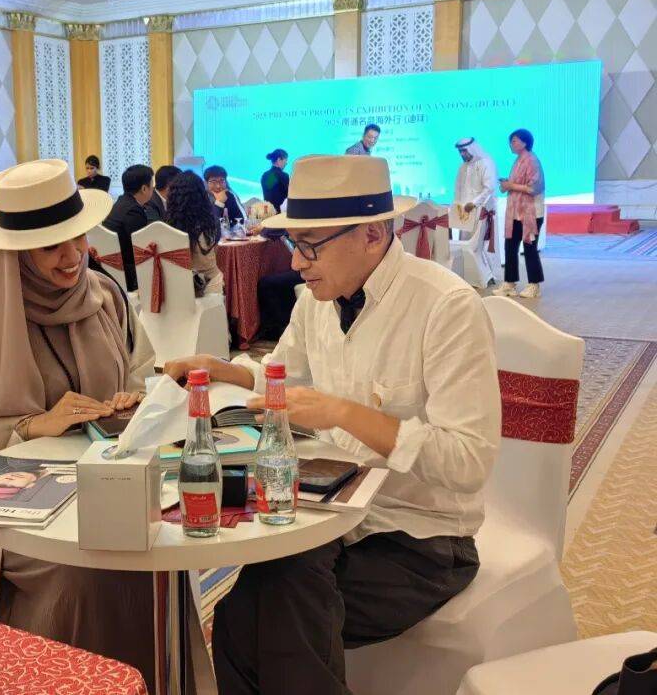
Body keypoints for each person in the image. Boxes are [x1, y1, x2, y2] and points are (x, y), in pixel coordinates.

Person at [164, 155, 499, 695]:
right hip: (331, 517)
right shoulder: (317, 301)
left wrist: (344, 413)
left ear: (372, 234)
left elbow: (468, 461)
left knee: (283, 607)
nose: (296, 262)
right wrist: (224, 369)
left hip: (423, 537)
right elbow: (285, 377)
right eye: (294, 244)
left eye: (310, 245)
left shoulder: (446, 308)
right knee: (238, 614)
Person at [0, 158, 156, 689]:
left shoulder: (103, 296)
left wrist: (133, 397)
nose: (73, 256)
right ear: (18, 253)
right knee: (81, 569)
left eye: (77, 238)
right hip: (19, 508)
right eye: (51, 248)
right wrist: (33, 425)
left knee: (151, 547)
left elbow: (142, 373)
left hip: (110, 479)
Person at [494, 129, 545, 299]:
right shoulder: (517, 160)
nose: (511, 144)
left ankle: (534, 285)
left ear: (524, 142)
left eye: (514, 141)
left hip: (531, 212)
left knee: (530, 249)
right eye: (511, 141)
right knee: (510, 246)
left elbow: (535, 188)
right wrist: (507, 184)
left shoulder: (532, 160)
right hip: (516, 212)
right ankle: (509, 283)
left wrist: (511, 186)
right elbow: (516, 185)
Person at [164, 171, 224, 295]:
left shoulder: (167, 224)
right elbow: (215, 251)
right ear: (202, 194)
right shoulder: (211, 221)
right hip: (210, 284)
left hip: (178, 287)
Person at [453, 137, 498, 288]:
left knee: (477, 246)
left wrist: (474, 203)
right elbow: (458, 189)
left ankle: (488, 275)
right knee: (465, 245)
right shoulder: (462, 167)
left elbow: (489, 188)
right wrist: (457, 206)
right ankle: (470, 277)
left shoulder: (485, 163)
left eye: (464, 150)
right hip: (464, 214)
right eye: (460, 151)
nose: (462, 154)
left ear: (472, 149)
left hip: (480, 211)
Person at [102, 164, 156, 291]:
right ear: (144, 188)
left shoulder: (120, 203)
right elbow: (140, 249)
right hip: (127, 275)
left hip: (110, 267)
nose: (153, 189)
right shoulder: (134, 211)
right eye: (152, 185)